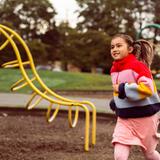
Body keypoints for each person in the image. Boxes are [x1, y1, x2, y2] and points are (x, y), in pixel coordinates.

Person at [110, 34, 160, 160]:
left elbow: (147, 89)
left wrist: (122, 89)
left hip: (146, 116)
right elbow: (120, 91)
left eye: (119, 45)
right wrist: (116, 101)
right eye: (112, 47)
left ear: (130, 49)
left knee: (149, 154)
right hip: (125, 118)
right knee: (119, 156)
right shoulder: (114, 70)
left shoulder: (138, 66)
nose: (114, 49)